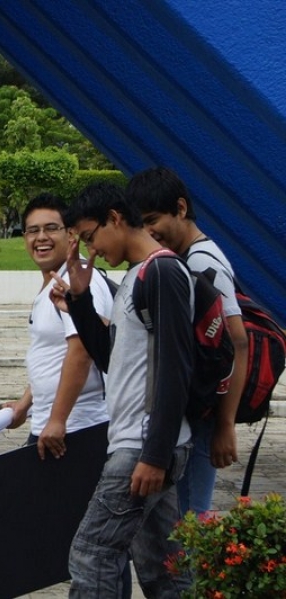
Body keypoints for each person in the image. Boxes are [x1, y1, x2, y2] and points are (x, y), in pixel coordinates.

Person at [0, 194, 116, 599]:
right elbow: (52, 359)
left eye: (51, 228)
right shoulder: (48, 288)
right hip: (52, 425)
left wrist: (57, 420)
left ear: (72, 235)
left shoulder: (80, 284)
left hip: (79, 430)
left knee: (90, 544)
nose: (40, 238)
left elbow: (82, 350)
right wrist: (24, 404)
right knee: (30, 525)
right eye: (32, 230)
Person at [54, 183, 192, 598]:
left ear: (115, 218)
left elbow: (175, 369)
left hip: (143, 446)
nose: (91, 250)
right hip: (142, 444)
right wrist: (80, 302)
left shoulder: (162, 272)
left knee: (92, 552)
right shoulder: (136, 276)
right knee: (162, 567)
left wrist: (154, 454)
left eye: (91, 236)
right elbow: (115, 362)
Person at [126, 166, 248, 515]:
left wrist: (225, 426)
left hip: (205, 419)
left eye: (154, 219)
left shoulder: (203, 262)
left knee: (191, 521)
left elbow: (238, 342)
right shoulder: (183, 259)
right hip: (196, 413)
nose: (149, 232)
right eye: (142, 224)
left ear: (181, 208)